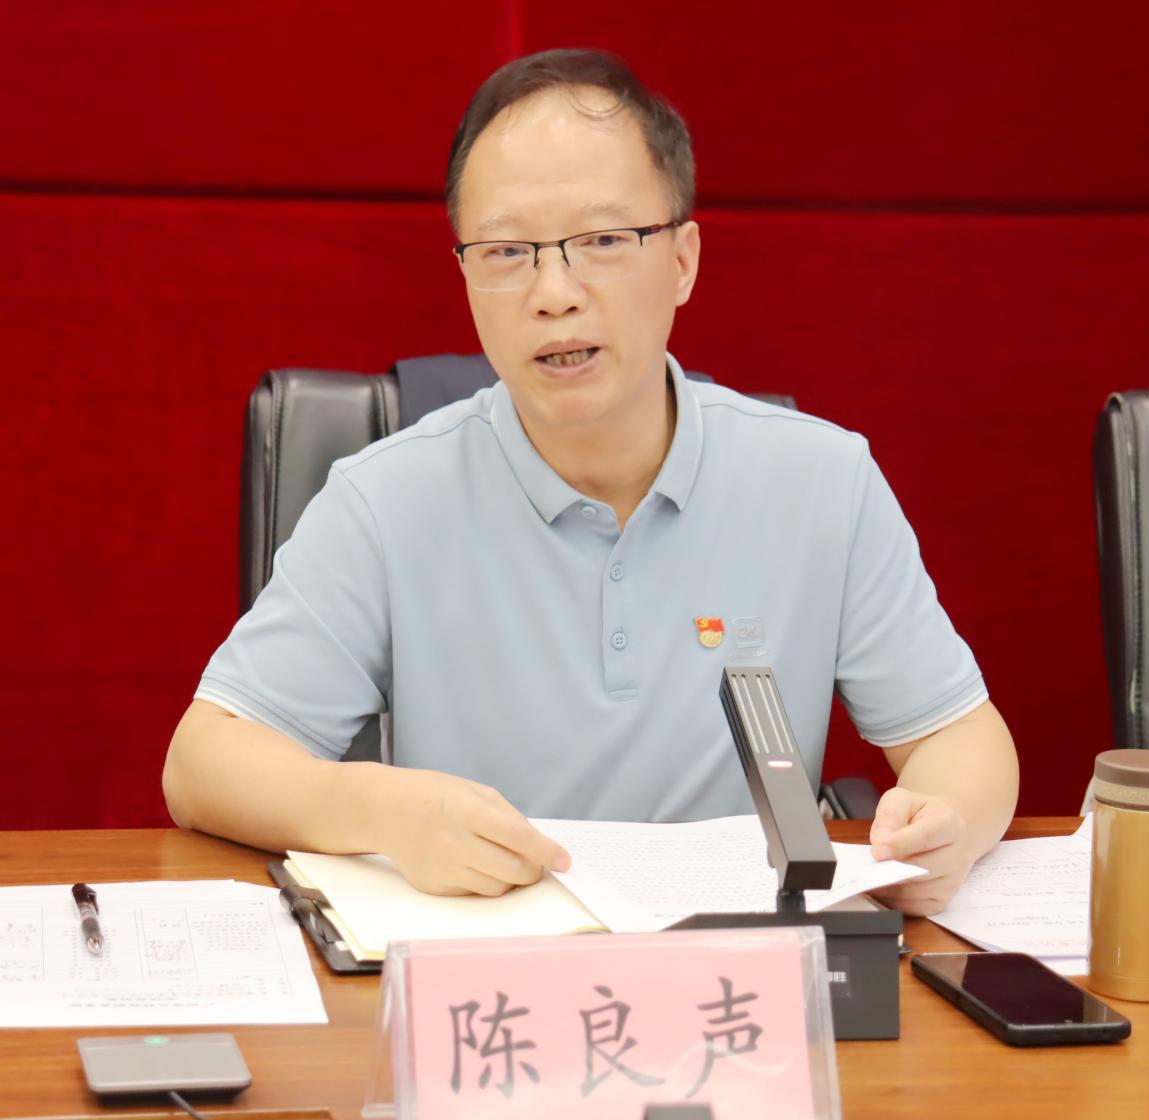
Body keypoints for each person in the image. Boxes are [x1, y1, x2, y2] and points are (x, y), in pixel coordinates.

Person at [163, 49, 1018, 916]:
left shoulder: (822, 481)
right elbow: (203, 762)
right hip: (487, 963)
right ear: (465, 275)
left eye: (603, 241)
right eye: (506, 251)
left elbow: (959, 735)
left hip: (741, 967)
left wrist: (944, 821)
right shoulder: (384, 500)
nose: (553, 293)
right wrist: (381, 809)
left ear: (682, 260)